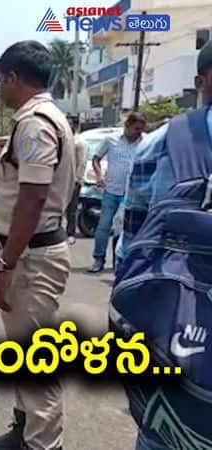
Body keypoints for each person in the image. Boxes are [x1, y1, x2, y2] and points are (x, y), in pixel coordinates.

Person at [117, 41, 212, 450]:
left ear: (200, 82)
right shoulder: (159, 142)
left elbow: (132, 251)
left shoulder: (166, 143)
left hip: (177, 339)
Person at [0, 40, 75, 450]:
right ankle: (22, 433)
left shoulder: (36, 122)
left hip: (32, 259)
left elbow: (33, 199)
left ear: (13, 78)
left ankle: (42, 445)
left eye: (0, 80)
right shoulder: (39, 119)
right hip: (30, 253)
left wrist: (6, 266)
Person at [86, 112, 146, 273]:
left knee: (124, 229)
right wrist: (99, 176)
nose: (138, 132)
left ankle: (118, 263)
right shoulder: (111, 139)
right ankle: (98, 259)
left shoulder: (146, 142)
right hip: (112, 190)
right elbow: (96, 158)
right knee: (104, 226)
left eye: (141, 129)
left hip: (132, 193)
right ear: (127, 126)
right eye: (136, 129)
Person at [64, 115, 87, 245]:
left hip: (73, 181)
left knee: (71, 209)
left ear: (75, 126)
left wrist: (76, 180)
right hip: (62, 180)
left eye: (70, 124)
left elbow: (82, 163)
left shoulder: (79, 142)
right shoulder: (64, 140)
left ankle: (70, 234)